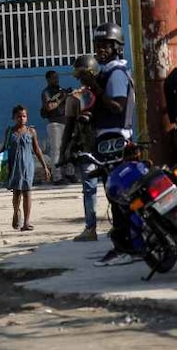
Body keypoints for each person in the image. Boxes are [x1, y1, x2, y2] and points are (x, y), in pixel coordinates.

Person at [74, 23, 137, 266]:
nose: (100, 50)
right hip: (106, 139)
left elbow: (117, 106)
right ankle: (125, 244)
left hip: (115, 141)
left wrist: (96, 88)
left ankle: (125, 246)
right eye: (98, 46)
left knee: (118, 195)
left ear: (117, 48)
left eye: (106, 45)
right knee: (114, 194)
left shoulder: (117, 73)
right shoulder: (107, 72)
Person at [0, 105, 51, 231]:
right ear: (13, 118)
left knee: (27, 192)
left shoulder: (31, 131)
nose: (22, 119)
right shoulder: (10, 132)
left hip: (27, 166)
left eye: (24, 116)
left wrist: (45, 166)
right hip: (14, 166)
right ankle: (16, 212)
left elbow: (37, 149)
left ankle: (27, 222)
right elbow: (5, 147)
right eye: (19, 116)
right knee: (17, 192)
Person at [40, 70, 71, 184]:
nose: (56, 80)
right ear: (48, 79)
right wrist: (62, 98)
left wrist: (68, 95)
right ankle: (57, 177)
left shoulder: (61, 90)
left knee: (68, 150)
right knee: (56, 151)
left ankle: (69, 173)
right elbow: (50, 107)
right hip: (55, 124)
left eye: (57, 77)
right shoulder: (46, 92)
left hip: (66, 122)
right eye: (54, 78)